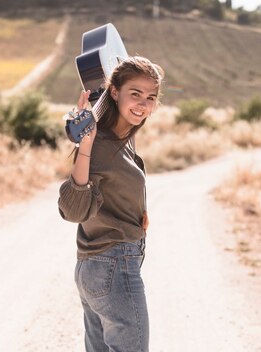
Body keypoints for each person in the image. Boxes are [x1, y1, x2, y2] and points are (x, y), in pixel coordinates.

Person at [58, 56, 164, 352]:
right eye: (135, 93)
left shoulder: (121, 138)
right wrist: (85, 144)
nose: (143, 104)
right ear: (114, 92)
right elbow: (75, 210)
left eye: (150, 97)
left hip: (94, 268)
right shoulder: (100, 144)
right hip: (114, 266)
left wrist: (137, 216)